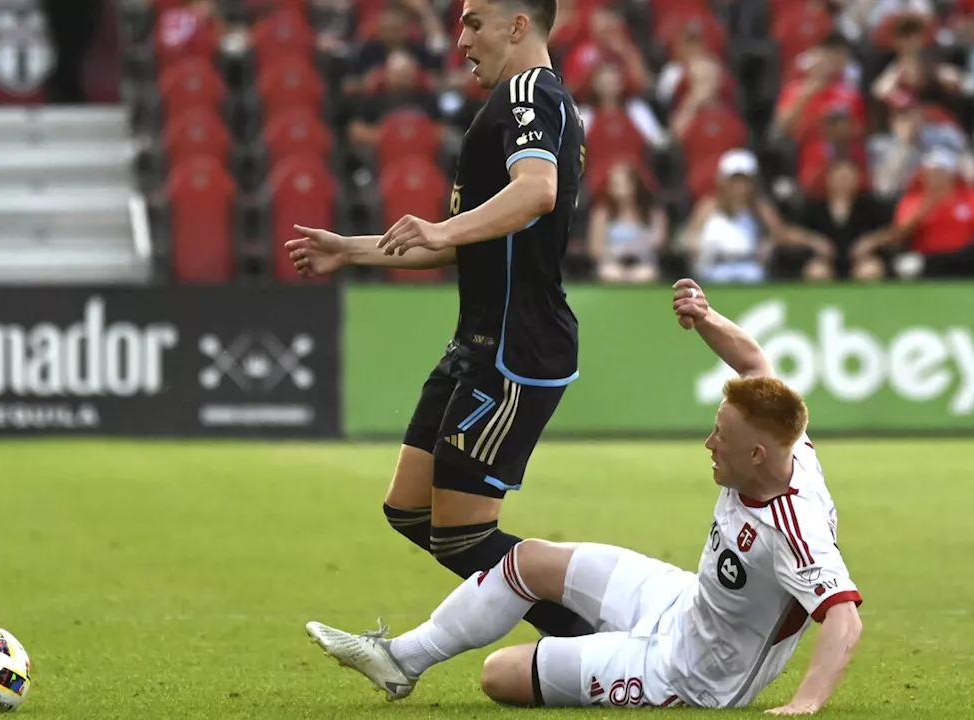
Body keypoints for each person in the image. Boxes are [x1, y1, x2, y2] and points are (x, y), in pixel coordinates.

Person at [306, 278, 865, 714]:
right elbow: (755, 365)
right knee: (523, 562)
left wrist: (804, 704)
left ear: (758, 456)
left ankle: (609, 651)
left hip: (693, 673)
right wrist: (705, 317)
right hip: (682, 602)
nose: (709, 443)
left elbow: (843, 619)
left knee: (498, 674)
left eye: (722, 437)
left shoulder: (795, 527)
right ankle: (398, 660)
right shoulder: (789, 442)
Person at [285, 0, 593, 639]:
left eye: (473, 22)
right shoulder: (508, 105)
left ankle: (598, 627)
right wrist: (353, 249)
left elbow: (537, 191)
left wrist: (442, 225)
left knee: (459, 533)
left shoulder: (532, 92)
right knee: (410, 510)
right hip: (476, 342)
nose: (460, 40)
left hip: (517, 345)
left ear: (517, 26)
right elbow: (463, 241)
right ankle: (588, 630)